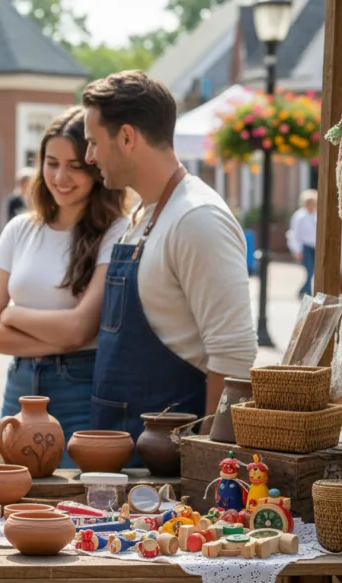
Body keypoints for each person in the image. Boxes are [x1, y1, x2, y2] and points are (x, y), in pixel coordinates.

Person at [81, 71, 256, 451]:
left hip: (171, 472)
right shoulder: (142, 215)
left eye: (94, 143)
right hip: (123, 455)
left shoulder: (197, 218)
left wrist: (205, 463)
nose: (88, 157)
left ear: (127, 137)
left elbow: (235, 358)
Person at [0, 107, 128, 468]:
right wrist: (59, 338)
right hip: (19, 383)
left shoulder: (116, 230)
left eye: (75, 165)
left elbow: (81, 328)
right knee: (11, 498)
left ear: (95, 165)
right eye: (51, 163)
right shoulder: (20, 229)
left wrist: (13, 314)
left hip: (79, 385)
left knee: (73, 503)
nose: (61, 177)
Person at [287, 189, 318, 297]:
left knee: (315, 271)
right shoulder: (299, 216)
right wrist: (296, 250)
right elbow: (294, 234)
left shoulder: (317, 215)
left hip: (316, 247)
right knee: (310, 270)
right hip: (306, 247)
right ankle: (307, 292)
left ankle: (305, 291)